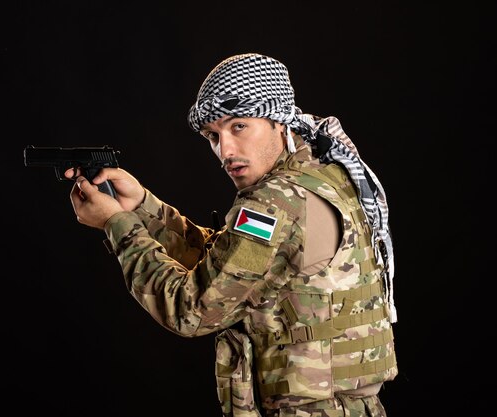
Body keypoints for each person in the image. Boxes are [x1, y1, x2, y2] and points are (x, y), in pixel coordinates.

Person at [65, 53, 398, 417]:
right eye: (212, 135)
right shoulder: (324, 172)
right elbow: (238, 265)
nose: (225, 150)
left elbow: (190, 310)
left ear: (278, 121)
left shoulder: (276, 201)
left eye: (239, 126)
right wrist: (144, 207)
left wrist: (117, 225)